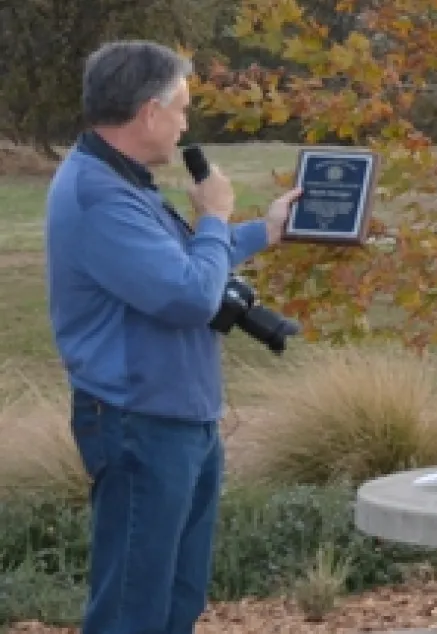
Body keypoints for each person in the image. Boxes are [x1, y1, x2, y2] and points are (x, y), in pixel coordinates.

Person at [44, 40, 303, 634]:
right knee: (133, 610)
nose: (187, 124)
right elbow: (189, 297)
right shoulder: (97, 194)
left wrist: (262, 231)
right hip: (138, 423)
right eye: (182, 109)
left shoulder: (123, 181)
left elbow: (181, 265)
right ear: (148, 113)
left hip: (177, 418)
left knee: (176, 600)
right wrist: (213, 214)